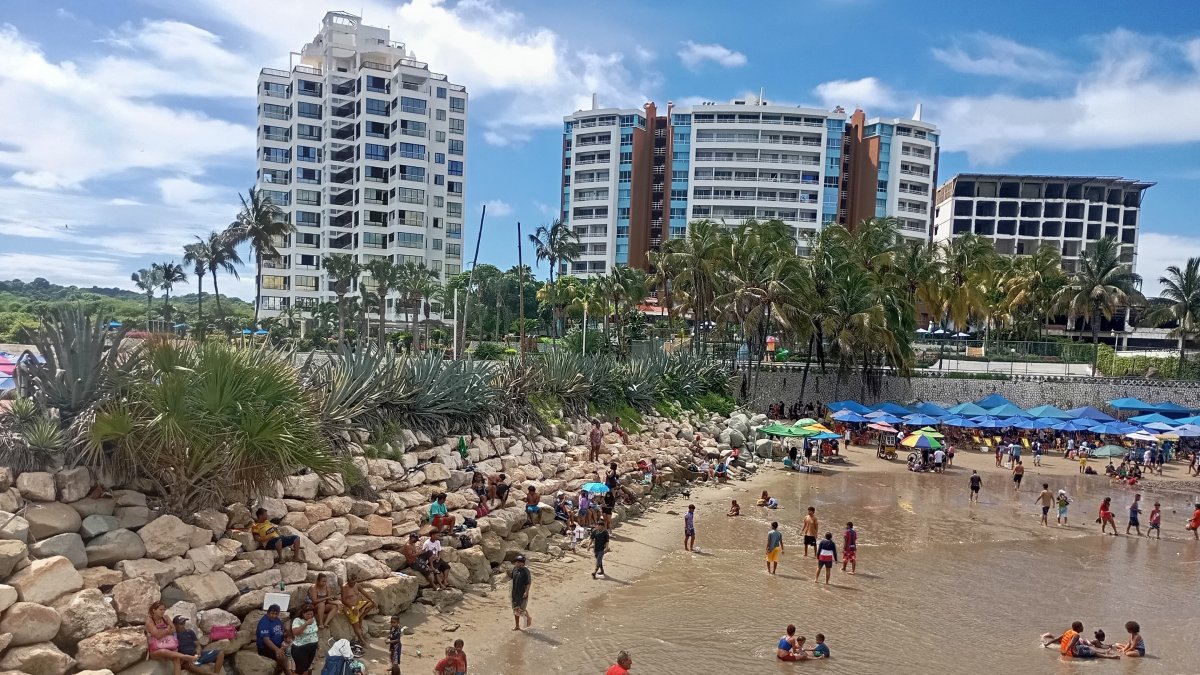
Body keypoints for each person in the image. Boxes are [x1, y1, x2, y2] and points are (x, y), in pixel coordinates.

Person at [145, 601, 190, 675]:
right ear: (154, 610)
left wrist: (162, 631)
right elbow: (157, 635)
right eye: (160, 609)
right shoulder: (149, 621)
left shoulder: (166, 618)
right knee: (164, 651)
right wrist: (167, 629)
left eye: (164, 610)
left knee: (176, 658)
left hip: (168, 645)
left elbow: (174, 630)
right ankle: (185, 656)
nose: (163, 611)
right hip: (156, 649)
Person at [1044, 621, 1118, 659]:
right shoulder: (1076, 635)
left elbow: (1057, 639)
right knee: (1093, 653)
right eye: (1082, 626)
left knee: (1087, 647)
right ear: (1079, 628)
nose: (1083, 627)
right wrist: (1065, 652)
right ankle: (1109, 657)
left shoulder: (1069, 631)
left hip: (1070, 649)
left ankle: (1104, 652)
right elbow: (1071, 644)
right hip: (1072, 653)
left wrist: (1047, 644)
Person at [255, 604, 290, 673]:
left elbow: (282, 630)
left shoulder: (277, 619)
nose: (274, 616)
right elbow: (266, 640)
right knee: (281, 656)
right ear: (268, 612)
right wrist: (277, 650)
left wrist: (286, 638)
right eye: (272, 613)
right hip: (266, 648)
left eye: (276, 614)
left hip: (279, 644)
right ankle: (286, 671)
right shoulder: (264, 623)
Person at [341, 578, 376, 644]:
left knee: (372, 603)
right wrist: (352, 607)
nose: (353, 584)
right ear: (348, 581)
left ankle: (361, 617)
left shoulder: (357, 585)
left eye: (354, 582)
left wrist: (371, 599)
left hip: (357, 605)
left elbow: (364, 592)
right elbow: (343, 600)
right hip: (349, 607)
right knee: (356, 624)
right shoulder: (344, 587)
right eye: (352, 583)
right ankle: (362, 641)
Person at [289, 604, 319, 675]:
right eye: (308, 614)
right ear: (303, 614)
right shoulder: (297, 620)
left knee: (307, 667)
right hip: (301, 647)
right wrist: (306, 624)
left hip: (312, 646)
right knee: (301, 669)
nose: (310, 616)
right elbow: (296, 632)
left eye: (311, 614)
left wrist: (317, 644)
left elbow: (314, 633)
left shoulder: (313, 619)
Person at [510, 554, 532, 630]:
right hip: (514, 593)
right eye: (517, 562)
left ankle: (528, 618)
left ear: (523, 563)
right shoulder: (514, 569)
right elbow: (512, 579)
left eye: (519, 562)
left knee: (521, 609)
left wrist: (526, 592)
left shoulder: (526, 571)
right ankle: (517, 626)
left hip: (522, 593)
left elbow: (528, 583)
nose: (518, 564)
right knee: (515, 609)